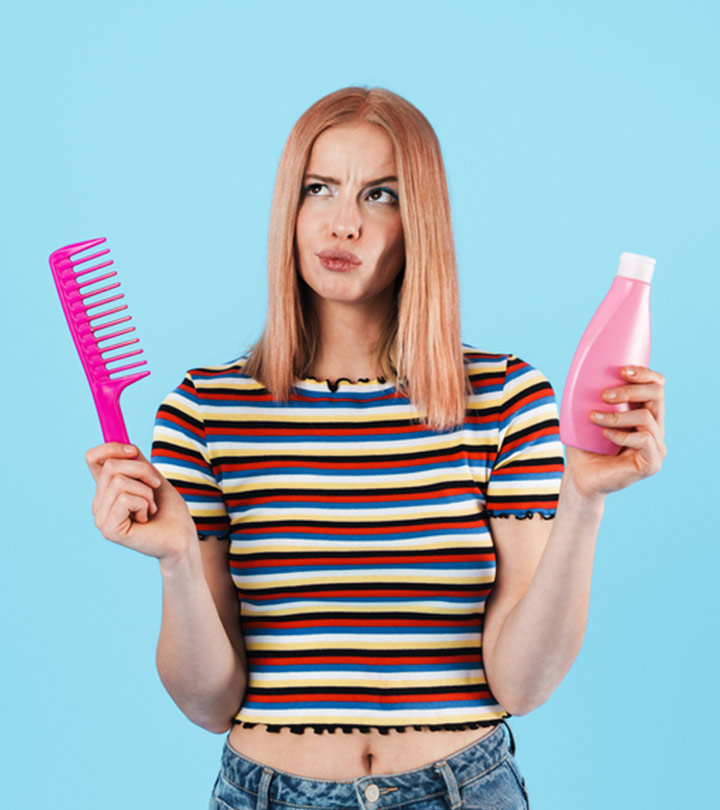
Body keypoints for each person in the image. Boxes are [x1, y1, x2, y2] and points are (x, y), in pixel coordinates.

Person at [85, 86, 667, 810]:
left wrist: (582, 501)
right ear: (289, 210)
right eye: (319, 188)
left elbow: (524, 685)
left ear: (418, 219)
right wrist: (176, 561)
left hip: (462, 788)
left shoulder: (506, 400)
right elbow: (207, 703)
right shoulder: (205, 410)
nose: (343, 223)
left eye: (381, 195)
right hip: (266, 791)